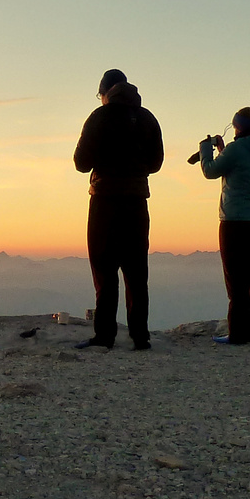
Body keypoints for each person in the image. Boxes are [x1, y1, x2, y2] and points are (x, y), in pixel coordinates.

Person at [72, 68, 164, 350]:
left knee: (104, 268)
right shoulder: (147, 118)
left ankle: (105, 336)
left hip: (105, 200)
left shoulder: (99, 117)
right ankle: (140, 336)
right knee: (137, 271)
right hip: (137, 201)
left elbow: (81, 162)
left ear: (105, 93)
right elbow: (156, 163)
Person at [198, 107, 250, 345]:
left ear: (240, 126)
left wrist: (205, 149)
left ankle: (238, 333)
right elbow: (239, 164)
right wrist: (224, 151)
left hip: (234, 221)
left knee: (236, 278)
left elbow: (210, 171)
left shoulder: (237, 148)